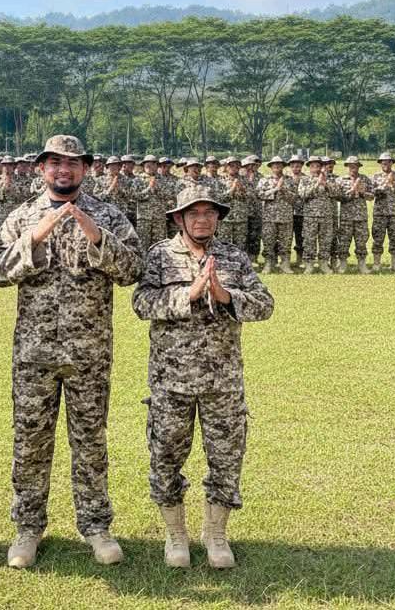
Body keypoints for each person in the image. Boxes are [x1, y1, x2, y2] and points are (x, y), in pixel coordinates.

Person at [0, 135, 143, 569]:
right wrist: (33, 239)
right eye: (55, 162)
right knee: (30, 442)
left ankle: (96, 527)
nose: (64, 169)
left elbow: (134, 270)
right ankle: (27, 529)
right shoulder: (22, 216)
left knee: (90, 441)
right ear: (42, 168)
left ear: (85, 169)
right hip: (33, 354)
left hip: (89, 354)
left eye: (73, 163)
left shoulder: (107, 215)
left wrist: (99, 239)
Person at [132, 185, 274, 569]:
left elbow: (265, 305)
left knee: (227, 458)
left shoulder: (233, 257)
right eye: (193, 213)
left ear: (218, 218)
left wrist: (226, 295)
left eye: (209, 212)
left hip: (222, 380)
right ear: (179, 218)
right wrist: (189, 294)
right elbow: (141, 303)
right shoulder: (160, 256)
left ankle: (215, 535)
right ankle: (176, 535)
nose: (202, 219)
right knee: (165, 456)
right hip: (171, 380)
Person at [371, 152, 395, 273]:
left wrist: (394, 183)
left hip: (394, 213)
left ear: (392, 163)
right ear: (380, 163)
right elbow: (370, 193)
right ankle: (376, 264)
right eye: (383, 163)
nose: (386, 165)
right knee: (378, 238)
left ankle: (394, 264)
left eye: (388, 162)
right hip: (379, 213)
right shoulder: (375, 177)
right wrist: (383, 186)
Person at [298, 156, 339, 274]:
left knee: (325, 240)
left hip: (326, 215)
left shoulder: (330, 179)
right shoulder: (305, 179)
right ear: (309, 167)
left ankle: (323, 263)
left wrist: (325, 184)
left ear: (321, 167)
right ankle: (309, 264)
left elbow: (337, 193)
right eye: (313, 166)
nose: (315, 168)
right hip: (310, 215)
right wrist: (316, 184)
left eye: (318, 166)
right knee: (309, 240)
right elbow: (303, 195)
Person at [256, 156, 296, 274]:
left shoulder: (289, 180)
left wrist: (283, 190)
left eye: (279, 164)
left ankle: (285, 264)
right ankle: (268, 263)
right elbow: (259, 195)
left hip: (286, 216)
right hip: (269, 217)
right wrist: (275, 189)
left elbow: (295, 198)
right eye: (274, 165)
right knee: (268, 241)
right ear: (271, 167)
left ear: (283, 166)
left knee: (286, 241)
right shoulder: (264, 180)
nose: (277, 166)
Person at [336, 156, 375, 274]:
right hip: (346, 217)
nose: (353, 168)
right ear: (347, 166)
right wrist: (351, 192)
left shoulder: (365, 179)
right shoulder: (340, 180)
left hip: (361, 217)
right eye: (351, 166)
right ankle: (343, 264)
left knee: (361, 242)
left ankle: (362, 264)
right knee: (344, 241)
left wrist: (363, 193)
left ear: (359, 166)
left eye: (355, 166)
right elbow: (338, 197)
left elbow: (372, 196)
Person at [217, 156, 249, 250]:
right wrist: (233, 189)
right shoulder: (220, 180)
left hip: (241, 218)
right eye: (231, 166)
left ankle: (240, 259)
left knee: (240, 245)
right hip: (225, 218)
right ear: (226, 167)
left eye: (237, 166)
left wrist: (242, 189)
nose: (234, 168)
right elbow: (219, 198)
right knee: (224, 245)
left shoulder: (245, 180)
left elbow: (250, 198)